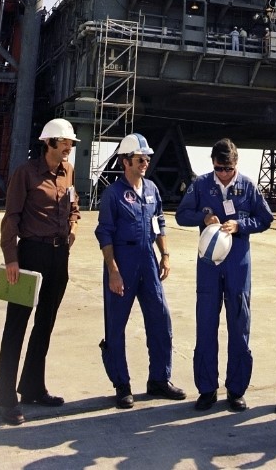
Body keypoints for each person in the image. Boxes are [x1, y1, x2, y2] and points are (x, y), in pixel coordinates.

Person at [0, 118, 81, 425]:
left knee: (45, 323)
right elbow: (11, 217)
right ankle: (5, 399)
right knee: (16, 325)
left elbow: (73, 204)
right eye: (66, 142)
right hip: (30, 255)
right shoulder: (25, 173)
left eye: (71, 143)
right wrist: (11, 258)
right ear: (50, 143)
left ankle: (32, 387)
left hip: (59, 256)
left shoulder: (68, 171)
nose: (70, 147)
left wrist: (73, 227)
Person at [175, 138, 273, 412]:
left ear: (236, 164)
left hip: (238, 265)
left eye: (228, 169)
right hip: (208, 266)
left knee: (239, 326)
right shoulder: (201, 185)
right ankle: (207, 389)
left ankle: (236, 389)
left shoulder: (248, 186)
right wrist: (203, 219)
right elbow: (182, 215)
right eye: (219, 168)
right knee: (206, 326)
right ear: (213, 164)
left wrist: (240, 225)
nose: (224, 174)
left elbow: (265, 219)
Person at [95, 133, 186, 409]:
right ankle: (121, 384)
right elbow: (105, 234)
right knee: (116, 325)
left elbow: (159, 222)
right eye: (140, 158)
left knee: (160, 317)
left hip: (148, 258)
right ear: (126, 161)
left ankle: (159, 378)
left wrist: (165, 255)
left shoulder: (151, 190)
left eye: (146, 158)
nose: (145, 162)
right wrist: (113, 271)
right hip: (122, 262)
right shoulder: (113, 194)